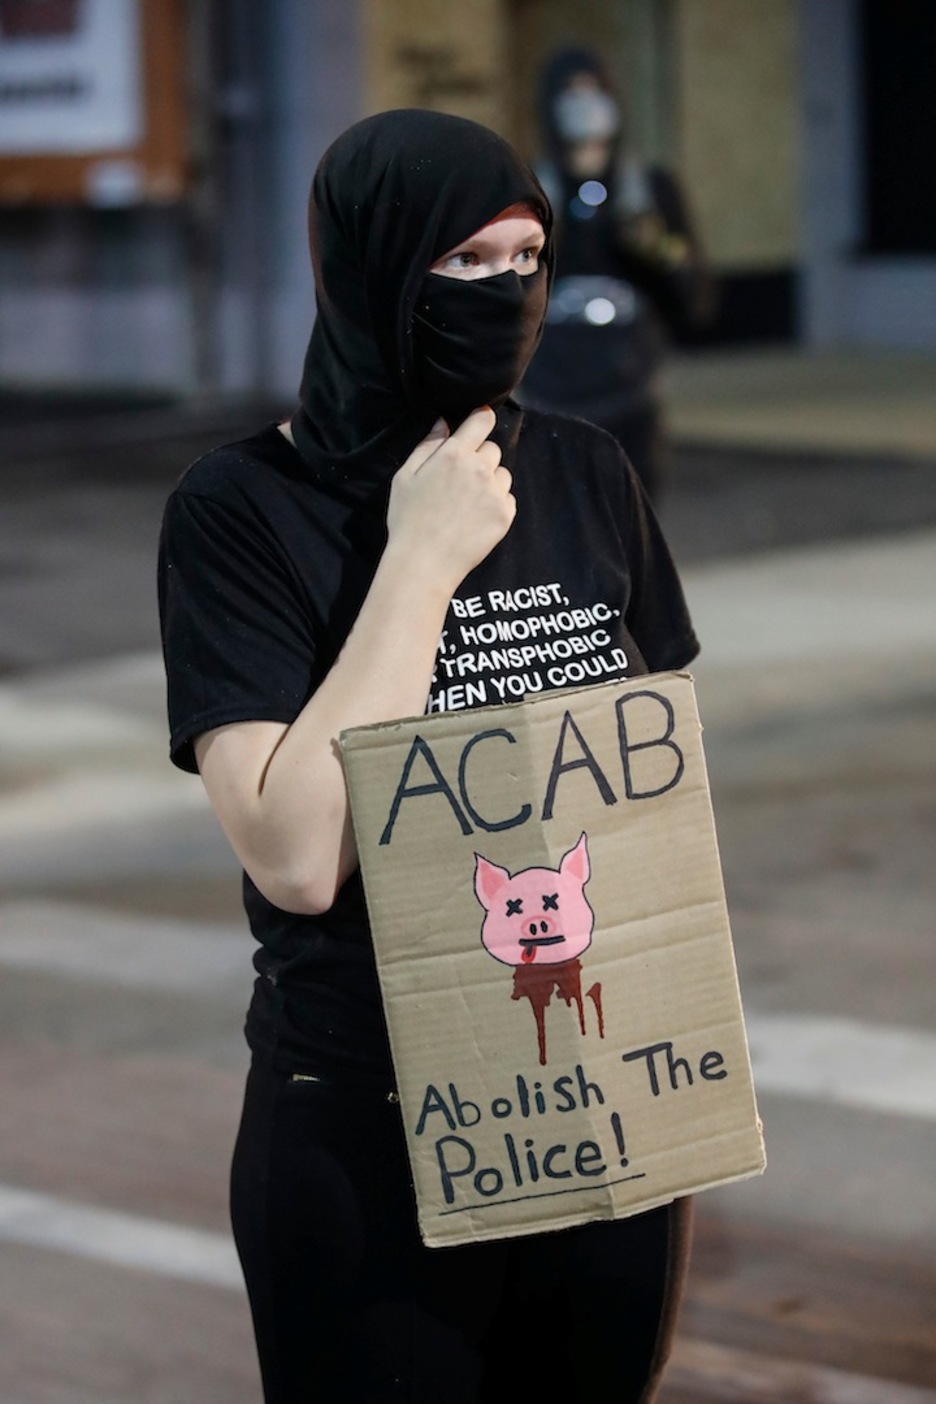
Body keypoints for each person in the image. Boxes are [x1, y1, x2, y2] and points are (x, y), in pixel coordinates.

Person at [158, 108, 699, 1404]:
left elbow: (652, 766)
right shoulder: (241, 512)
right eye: (465, 263)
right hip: (368, 1121)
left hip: (583, 1095)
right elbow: (296, 856)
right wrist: (420, 560)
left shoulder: (584, 469)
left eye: (528, 259)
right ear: (372, 268)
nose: (507, 293)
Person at [519, 46, 716, 503]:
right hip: (552, 392)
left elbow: (696, 299)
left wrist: (655, 246)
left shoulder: (648, 189)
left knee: (631, 530)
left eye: (594, 94)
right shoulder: (528, 188)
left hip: (631, 391)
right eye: (571, 96)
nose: (584, 109)